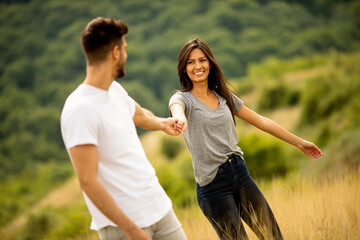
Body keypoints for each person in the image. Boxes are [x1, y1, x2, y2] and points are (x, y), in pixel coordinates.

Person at [169, 38, 323, 240]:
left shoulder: (224, 96)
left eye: (202, 60)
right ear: (184, 68)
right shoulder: (182, 99)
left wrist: (300, 142)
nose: (197, 66)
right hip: (213, 187)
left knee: (273, 236)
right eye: (190, 62)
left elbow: (261, 121)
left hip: (240, 174)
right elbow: (177, 111)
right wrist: (179, 120)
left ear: (210, 63)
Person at [60, 17, 187, 240]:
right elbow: (87, 182)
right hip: (123, 227)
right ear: (116, 53)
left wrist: (163, 124)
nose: (126, 56)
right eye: (125, 49)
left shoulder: (115, 90)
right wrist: (130, 230)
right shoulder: (79, 108)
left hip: (159, 209)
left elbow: (139, 114)